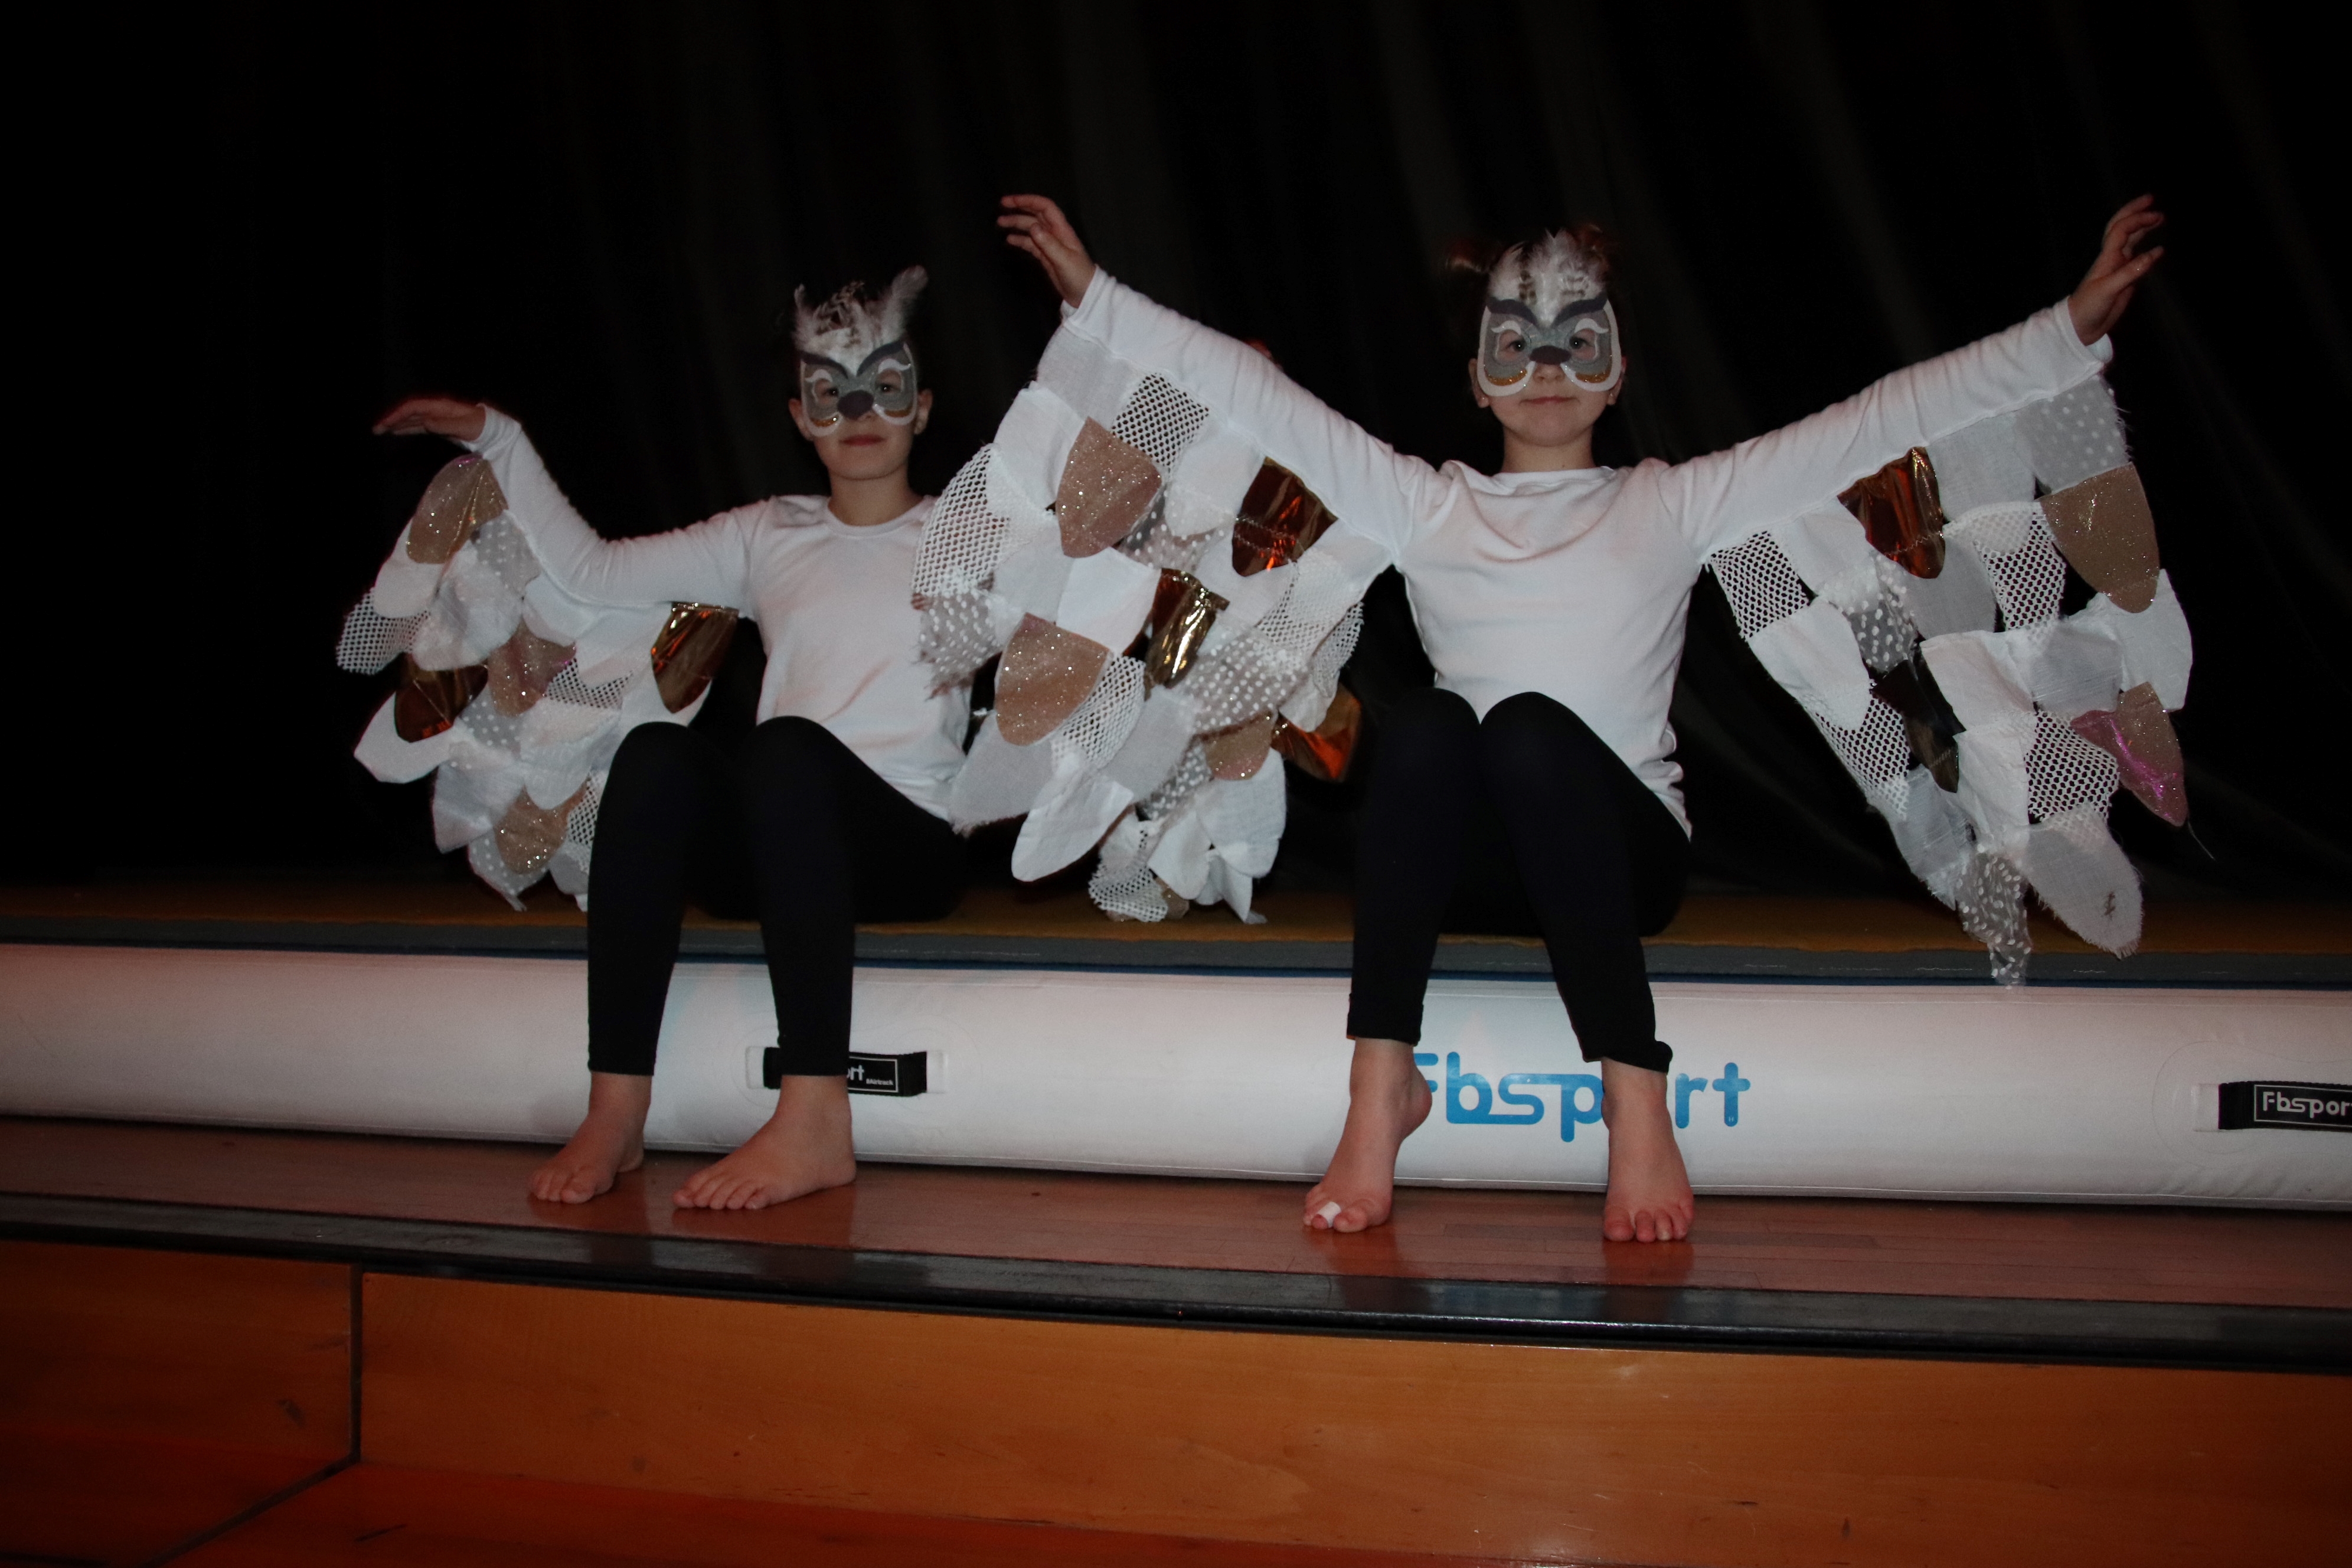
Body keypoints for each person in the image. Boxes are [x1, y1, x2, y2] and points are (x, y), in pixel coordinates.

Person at [1000, 192, 2163, 1243]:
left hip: (1620, 856)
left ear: (1617, 375)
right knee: (1430, 727)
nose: (1548, 366)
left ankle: (1635, 1094)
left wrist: (2065, 328)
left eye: (1578, 341)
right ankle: (1381, 1086)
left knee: (1527, 729)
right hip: (1470, 864)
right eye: (1516, 343)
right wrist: (1098, 297)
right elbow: (1260, 399)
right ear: (1478, 379)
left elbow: (1878, 419)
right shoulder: (1428, 503)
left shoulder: (1673, 502)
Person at [373, 268, 971, 1210]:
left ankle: (815, 1115)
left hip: (908, 848)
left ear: (923, 408)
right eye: (830, 392)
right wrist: (498, 437)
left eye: (885, 387)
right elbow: (593, 570)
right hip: (781, 845)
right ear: (800, 416)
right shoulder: (766, 534)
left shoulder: (973, 531)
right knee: (656, 756)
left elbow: (1114, 569)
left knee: (787, 749)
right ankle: (616, 1108)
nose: (859, 412)